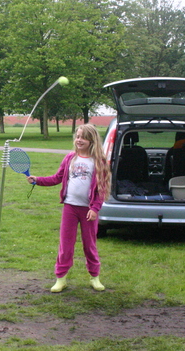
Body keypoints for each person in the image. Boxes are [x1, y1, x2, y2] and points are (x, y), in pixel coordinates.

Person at [27, 124, 111, 293]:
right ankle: (61, 278)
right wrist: (38, 180)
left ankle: (95, 277)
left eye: (83, 137)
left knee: (90, 245)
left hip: (88, 211)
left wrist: (95, 208)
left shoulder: (99, 162)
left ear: (92, 140)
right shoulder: (70, 158)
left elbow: (102, 189)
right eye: (78, 136)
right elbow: (56, 178)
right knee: (66, 245)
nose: (79, 140)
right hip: (70, 208)